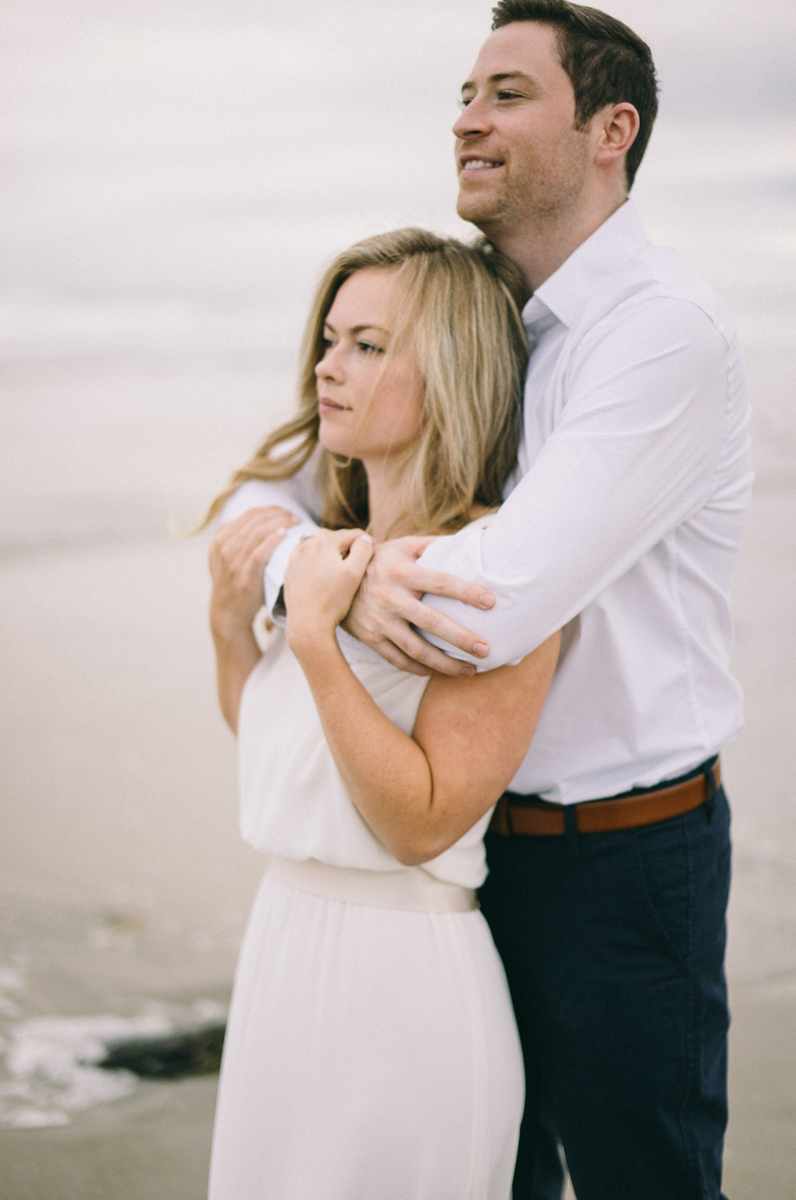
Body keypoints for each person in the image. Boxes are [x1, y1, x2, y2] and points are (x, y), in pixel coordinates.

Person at [235, 3, 753, 1198]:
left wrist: (320, 586)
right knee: (478, 1170)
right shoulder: (475, 320)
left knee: (642, 1179)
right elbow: (260, 493)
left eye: (508, 94)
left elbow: (493, 602)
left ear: (610, 128)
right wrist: (281, 563)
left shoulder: (655, 335)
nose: (466, 119)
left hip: (618, 853)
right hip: (464, 862)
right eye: (464, 95)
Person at [205, 228, 561, 1200]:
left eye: (368, 346)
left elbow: (419, 822)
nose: (327, 367)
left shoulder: (495, 577)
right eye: (328, 340)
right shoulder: (332, 553)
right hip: (282, 956)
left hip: (402, 991)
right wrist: (231, 625)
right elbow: (284, 754)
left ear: (447, 373)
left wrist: (316, 640)